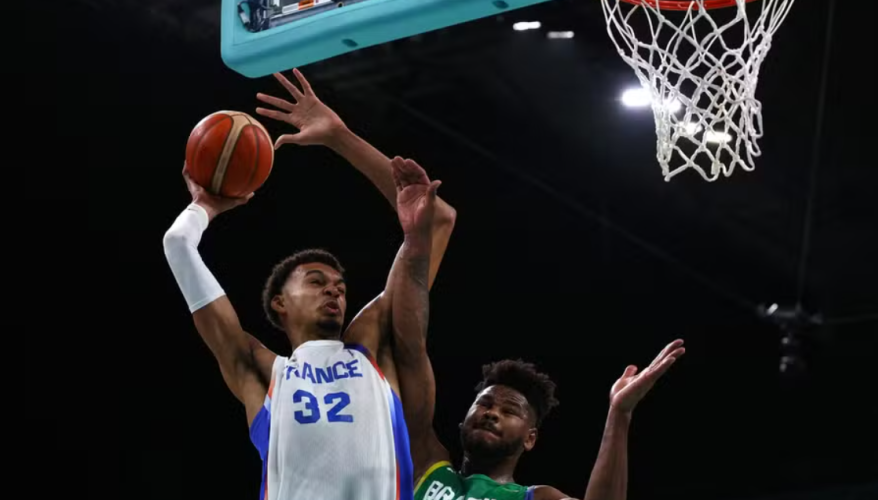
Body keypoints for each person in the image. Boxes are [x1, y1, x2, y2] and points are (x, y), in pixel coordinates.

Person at [162, 68, 457, 500]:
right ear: (279, 303)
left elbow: (437, 222)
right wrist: (203, 206)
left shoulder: (372, 346)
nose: (335, 290)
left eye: (339, 284)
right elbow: (177, 245)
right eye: (316, 281)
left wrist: (339, 136)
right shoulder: (262, 371)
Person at [390, 287, 685, 500]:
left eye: (509, 411)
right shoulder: (428, 463)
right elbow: (409, 351)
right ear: (463, 420)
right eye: (485, 404)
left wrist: (619, 414)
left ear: (530, 438)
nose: (492, 413)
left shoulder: (537, 497)